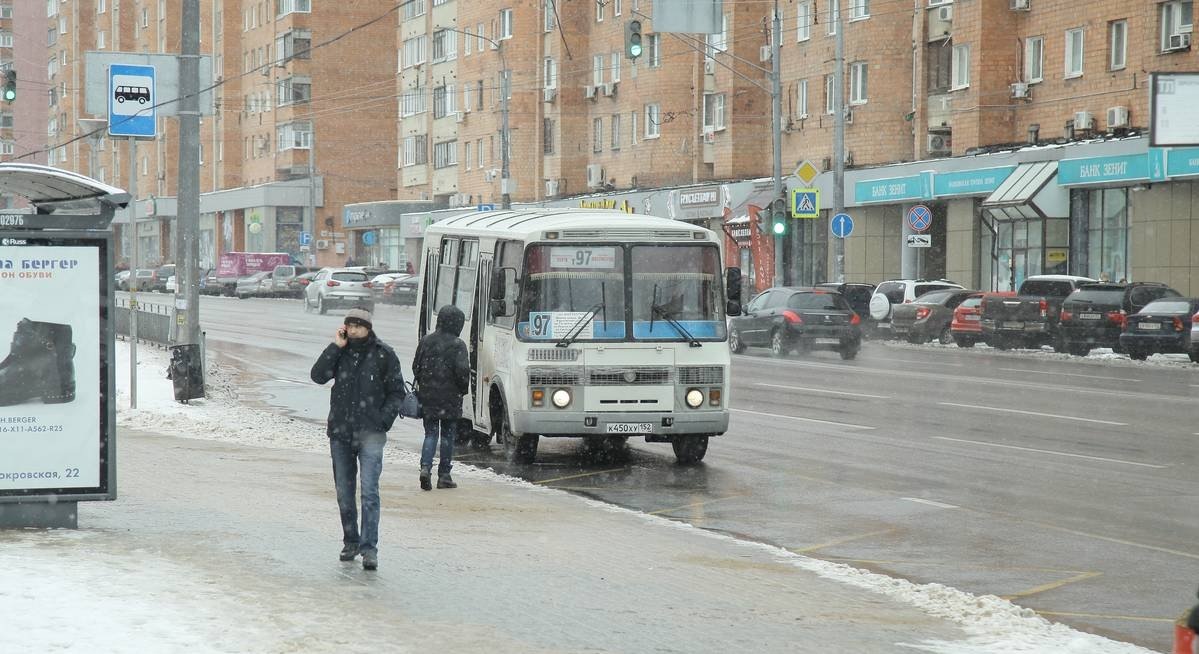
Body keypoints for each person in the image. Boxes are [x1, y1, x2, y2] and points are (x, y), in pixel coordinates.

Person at [310, 308, 405, 571]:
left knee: (370, 492)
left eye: (357, 326)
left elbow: (397, 392)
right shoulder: (341, 352)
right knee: (344, 491)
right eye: (348, 325)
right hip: (340, 432)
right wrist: (334, 346)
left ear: (367, 327)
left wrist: (382, 420)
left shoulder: (383, 354)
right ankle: (350, 541)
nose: (352, 330)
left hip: (371, 434)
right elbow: (317, 376)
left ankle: (369, 548)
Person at [411, 305, 470, 491]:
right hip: (450, 397)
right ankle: (444, 475)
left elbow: (416, 367)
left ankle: (425, 468)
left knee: (430, 434)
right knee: (447, 436)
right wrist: (462, 389)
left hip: (428, 395)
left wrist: (426, 382)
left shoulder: (426, 341)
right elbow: (463, 372)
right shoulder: (458, 344)